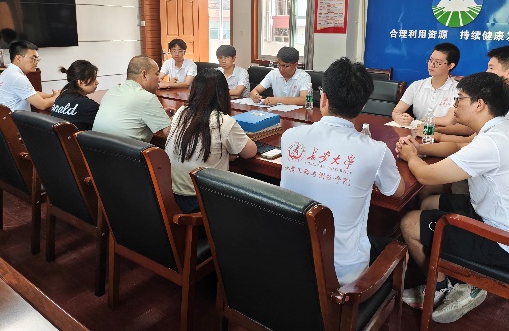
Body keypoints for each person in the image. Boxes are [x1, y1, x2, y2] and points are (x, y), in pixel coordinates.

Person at [396, 72, 509, 324]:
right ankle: (444, 269)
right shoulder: (504, 130)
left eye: (459, 99)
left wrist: (411, 157)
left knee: (409, 222)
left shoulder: (491, 143)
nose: (454, 105)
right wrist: (419, 147)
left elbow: (426, 175)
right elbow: (459, 147)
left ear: (479, 104)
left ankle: (442, 286)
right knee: (428, 202)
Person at [280, 57, 404, 286]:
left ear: (323, 98)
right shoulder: (375, 150)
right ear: (363, 105)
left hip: (289, 258)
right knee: (392, 242)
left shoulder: (290, 137)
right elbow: (397, 192)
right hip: (343, 275)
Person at [165, 69, 257, 213]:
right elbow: (250, 152)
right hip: (202, 202)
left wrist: (221, 154)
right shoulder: (223, 121)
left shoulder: (182, 111)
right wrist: (226, 153)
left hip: (172, 196)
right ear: (223, 93)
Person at [93, 56, 170, 142]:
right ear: (144, 75)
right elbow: (171, 134)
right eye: (156, 74)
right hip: (125, 150)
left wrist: (159, 114)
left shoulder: (111, 91)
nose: (159, 79)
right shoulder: (146, 97)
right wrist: (178, 119)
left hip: (95, 148)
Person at [392, 42, 460, 126]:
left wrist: (424, 121)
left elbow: (449, 120)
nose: (432, 65)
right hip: (417, 131)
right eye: (431, 60)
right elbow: (396, 111)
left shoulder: (457, 90)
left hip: (441, 132)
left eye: (438, 62)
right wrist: (399, 118)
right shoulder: (416, 86)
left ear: (450, 66)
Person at [0, 40, 59, 112]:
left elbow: (31, 93)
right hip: (13, 118)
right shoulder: (17, 77)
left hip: (5, 116)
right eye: (33, 58)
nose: (36, 62)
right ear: (18, 58)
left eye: (37, 59)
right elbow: (42, 105)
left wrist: (51, 96)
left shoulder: (9, 71)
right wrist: (58, 97)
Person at [50, 60, 100, 130]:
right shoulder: (88, 106)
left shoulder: (60, 97)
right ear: (80, 83)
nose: (97, 82)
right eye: (94, 79)